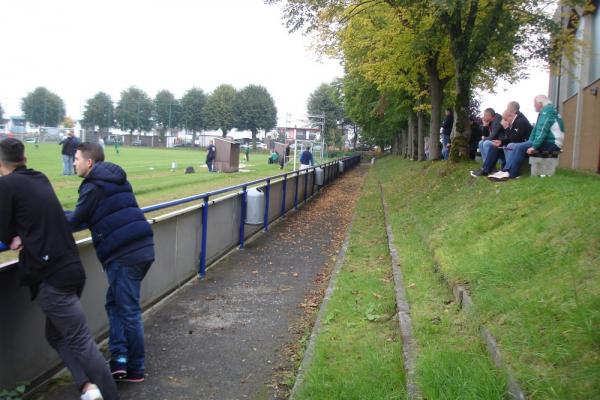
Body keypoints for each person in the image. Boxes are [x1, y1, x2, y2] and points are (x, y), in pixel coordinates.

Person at [0, 138, 119, 400]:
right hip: (72, 269)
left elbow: (4, 228)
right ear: (25, 159)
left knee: (81, 342)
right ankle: (87, 387)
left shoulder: (6, 185)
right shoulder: (39, 177)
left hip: (52, 277)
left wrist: (13, 236)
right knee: (55, 335)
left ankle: (110, 395)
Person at [67, 142, 155, 383]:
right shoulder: (117, 180)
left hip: (124, 255)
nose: (73, 162)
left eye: (76, 158)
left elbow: (74, 221)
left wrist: (43, 220)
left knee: (128, 311)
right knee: (115, 304)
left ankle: (135, 368)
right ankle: (119, 360)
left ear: (89, 162)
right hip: (143, 247)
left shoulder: (92, 187)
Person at [489, 95, 564, 181]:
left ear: (540, 103)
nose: (534, 105)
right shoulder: (546, 111)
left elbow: (542, 130)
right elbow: (535, 130)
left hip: (551, 143)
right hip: (547, 141)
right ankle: (506, 170)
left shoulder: (546, 112)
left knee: (518, 147)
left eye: (534, 103)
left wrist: (534, 146)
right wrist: (530, 142)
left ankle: (512, 174)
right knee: (512, 145)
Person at [470, 102, 532, 177]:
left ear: (510, 116)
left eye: (505, 120)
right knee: (494, 147)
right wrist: (501, 142)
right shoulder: (514, 121)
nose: (504, 123)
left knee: (508, 145)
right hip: (515, 145)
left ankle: (505, 170)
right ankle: (485, 169)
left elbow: (515, 139)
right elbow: (512, 138)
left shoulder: (520, 121)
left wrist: (506, 128)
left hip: (523, 146)